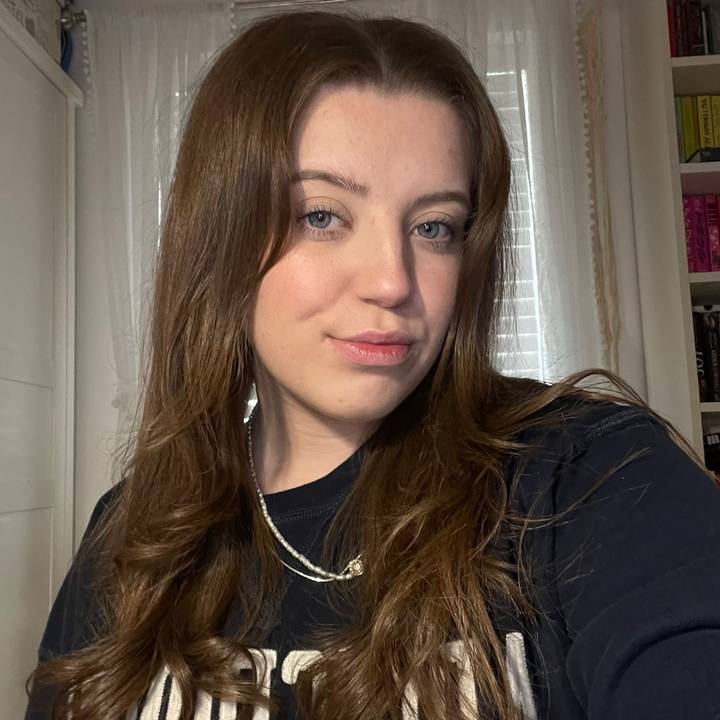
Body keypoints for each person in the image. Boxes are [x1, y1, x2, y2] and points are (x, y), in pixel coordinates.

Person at [25, 9, 720, 720]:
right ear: (220, 236)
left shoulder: (585, 476)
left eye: (433, 226)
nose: (392, 281)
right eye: (322, 216)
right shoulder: (137, 533)